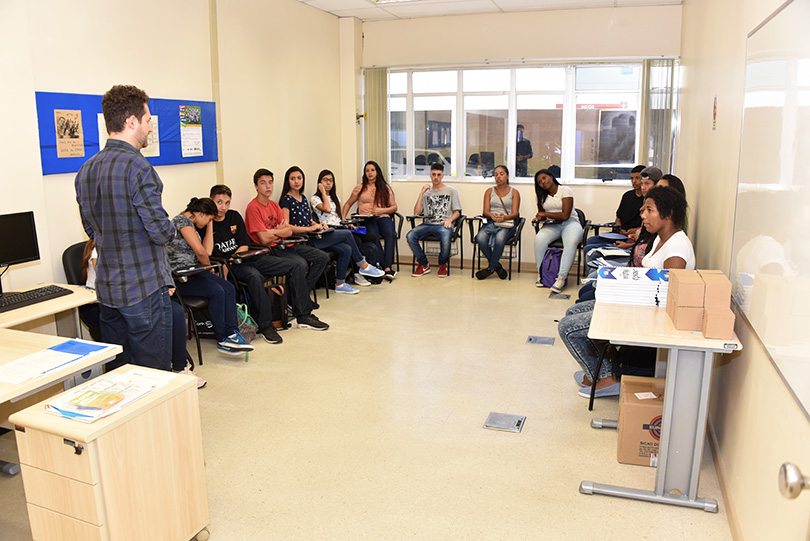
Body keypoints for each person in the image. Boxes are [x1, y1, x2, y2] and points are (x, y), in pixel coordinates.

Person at [559, 186, 694, 398]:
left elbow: (668, 297)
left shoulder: (677, 248)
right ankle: (598, 370)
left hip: (647, 314)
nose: (643, 215)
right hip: (638, 302)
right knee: (573, 313)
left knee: (568, 328)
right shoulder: (660, 237)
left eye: (649, 210)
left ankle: (606, 378)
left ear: (668, 214)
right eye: (643, 210)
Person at [74, 85, 174, 371]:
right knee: (153, 372)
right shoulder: (138, 168)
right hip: (144, 288)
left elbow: (90, 229)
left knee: (120, 372)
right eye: (148, 120)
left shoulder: (86, 170)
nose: (151, 128)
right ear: (131, 122)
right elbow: (160, 232)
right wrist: (175, 227)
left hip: (108, 291)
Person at [209, 184, 329, 342]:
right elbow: (208, 252)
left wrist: (236, 255)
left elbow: (244, 243)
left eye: (227, 202)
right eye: (219, 202)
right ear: (211, 201)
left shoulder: (234, 216)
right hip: (231, 267)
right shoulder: (208, 224)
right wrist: (229, 262)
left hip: (248, 257)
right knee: (255, 277)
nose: (223, 207)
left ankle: (304, 316)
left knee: (295, 265)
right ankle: (266, 326)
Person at [244, 168, 331, 330]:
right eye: (263, 183)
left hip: (281, 245)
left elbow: (288, 230)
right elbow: (263, 238)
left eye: (270, 182)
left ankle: (301, 308)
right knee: (298, 265)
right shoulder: (253, 208)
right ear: (256, 186)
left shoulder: (274, 205)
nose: (268, 187)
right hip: (265, 252)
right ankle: (303, 314)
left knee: (314, 259)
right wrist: (278, 232)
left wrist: (274, 232)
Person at [167, 197, 254, 357]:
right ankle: (222, 339)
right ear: (200, 213)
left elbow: (207, 251)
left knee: (228, 287)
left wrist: (210, 224)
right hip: (181, 276)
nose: (208, 221)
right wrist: (210, 269)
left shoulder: (192, 224)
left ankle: (233, 333)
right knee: (217, 291)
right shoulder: (181, 220)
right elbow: (200, 252)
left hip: (194, 272)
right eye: (208, 218)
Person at [279, 166, 385, 295]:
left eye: (299, 178)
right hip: (304, 239)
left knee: (346, 248)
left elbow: (307, 219)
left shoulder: (302, 198)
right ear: (287, 181)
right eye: (293, 178)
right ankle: (363, 265)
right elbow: (287, 227)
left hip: (314, 233)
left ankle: (340, 283)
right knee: (347, 235)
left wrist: (318, 224)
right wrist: (310, 228)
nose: (296, 181)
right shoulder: (286, 200)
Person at [311, 169, 381, 286]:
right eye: (325, 180)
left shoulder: (335, 197)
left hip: (340, 226)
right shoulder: (315, 198)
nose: (328, 183)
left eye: (331, 180)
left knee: (371, 237)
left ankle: (364, 267)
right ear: (319, 182)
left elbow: (337, 215)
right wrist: (323, 193)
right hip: (330, 229)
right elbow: (327, 209)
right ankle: (358, 273)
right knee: (357, 241)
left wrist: (347, 223)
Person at [342, 161, 399, 280]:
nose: (370, 173)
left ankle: (388, 268)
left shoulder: (385, 187)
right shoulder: (359, 187)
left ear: (377, 172)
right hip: (366, 218)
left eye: (372, 170)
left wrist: (381, 210)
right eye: (367, 170)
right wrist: (343, 217)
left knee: (390, 233)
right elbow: (348, 203)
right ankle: (381, 266)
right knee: (373, 236)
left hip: (382, 216)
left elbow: (394, 207)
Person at [406, 162, 463, 278]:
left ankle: (442, 264)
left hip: (443, 224)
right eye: (433, 175)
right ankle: (424, 264)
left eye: (438, 175)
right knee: (410, 235)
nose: (436, 177)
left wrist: (450, 220)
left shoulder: (451, 191)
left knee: (446, 236)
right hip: (427, 224)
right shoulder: (426, 193)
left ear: (442, 176)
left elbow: (457, 212)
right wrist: (421, 193)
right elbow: (416, 212)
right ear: (430, 175)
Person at [532, 168, 582, 293]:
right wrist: (539, 217)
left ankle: (561, 278)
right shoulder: (541, 196)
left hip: (570, 223)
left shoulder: (565, 190)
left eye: (544, 178)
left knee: (570, 242)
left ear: (551, 177)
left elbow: (565, 215)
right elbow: (542, 214)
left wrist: (544, 213)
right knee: (539, 239)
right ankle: (542, 274)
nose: (542, 182)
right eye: (539, 182)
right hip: (552, 225)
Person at [475, 165, 521, 280]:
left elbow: (515, 214)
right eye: (496, 174)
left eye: (501, 174)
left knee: (499, 239)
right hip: (492, 222)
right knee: (480, 238)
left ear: (507, 175)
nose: (498, 177)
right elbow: (485, 211)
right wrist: (492, 215)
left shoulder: (514, 192)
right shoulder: (489, 191)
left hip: (507, 223)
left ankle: (490, 268)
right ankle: (497, 266)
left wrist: (504, 217)